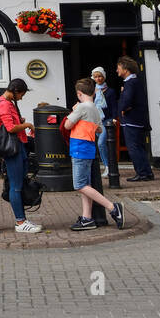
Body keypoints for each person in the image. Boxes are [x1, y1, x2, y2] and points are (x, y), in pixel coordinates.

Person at [63, 78, 124, 231]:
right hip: (89, 148)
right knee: (86, 184)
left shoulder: (82, 107)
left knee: (79, 185)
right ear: (94, 92)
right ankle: (87, 218)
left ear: (79, 94)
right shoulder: (95, 109)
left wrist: (74, 110)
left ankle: (113, 207)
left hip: (79, 148)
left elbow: (67, 124)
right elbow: (100, 129)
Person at [0, 78, 40, 234]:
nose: (21, 98)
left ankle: (23, 220)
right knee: (16, 186)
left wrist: (20, 121)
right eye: (22, 95)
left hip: (17, 146)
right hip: (13, 149)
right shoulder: (5, 104)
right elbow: (11, 128)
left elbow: (10, 124)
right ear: (16, 91)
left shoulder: (4, 102)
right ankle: (20, 222)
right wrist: (27, 125)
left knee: (18, 184)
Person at [115, 55, 155, 181]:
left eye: (118, 68)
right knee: (140, 148)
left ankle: (142, 173)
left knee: (134, 148)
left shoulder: (130, 83)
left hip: (132, 121)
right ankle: (147, 173)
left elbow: (126, 101)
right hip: (138, 120)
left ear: (125, 69)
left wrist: (121, 107)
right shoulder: (135, 82)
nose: (117, 70)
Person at [91, 66, 116, 174]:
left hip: (107, 121)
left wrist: (115, 118)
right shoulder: (92, 92)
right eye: (96, 77)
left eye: (100, 76)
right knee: (98, 144)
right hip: (95, 121)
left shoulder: (110, 91)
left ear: (104, 77)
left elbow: (114, 106)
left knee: (101, 143)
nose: (98, 79)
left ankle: (108, 166)